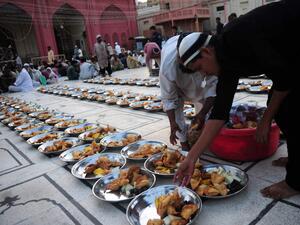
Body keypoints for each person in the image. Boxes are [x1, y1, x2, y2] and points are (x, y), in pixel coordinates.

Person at [175, 0, 300, 200]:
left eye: (200, 68)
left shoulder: (240, 37)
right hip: (293, 59)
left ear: (206, 52)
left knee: (290, 109)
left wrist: (265, 121)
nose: (204, 75)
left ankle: (296, 181)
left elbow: (284, 79)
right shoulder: (225, 56)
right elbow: (220, 112)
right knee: (279, 107)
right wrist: (191, 158)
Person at [160, 35, 217, 151]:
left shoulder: (206, 52)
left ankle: (206, 137)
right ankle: (185, 144)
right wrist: (173, 124)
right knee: (177, 115)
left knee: (207, 111)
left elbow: (213, 88)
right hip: (178, 88)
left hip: (200, 78)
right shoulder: (168, 67)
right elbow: (169, 99)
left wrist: (202, 113)